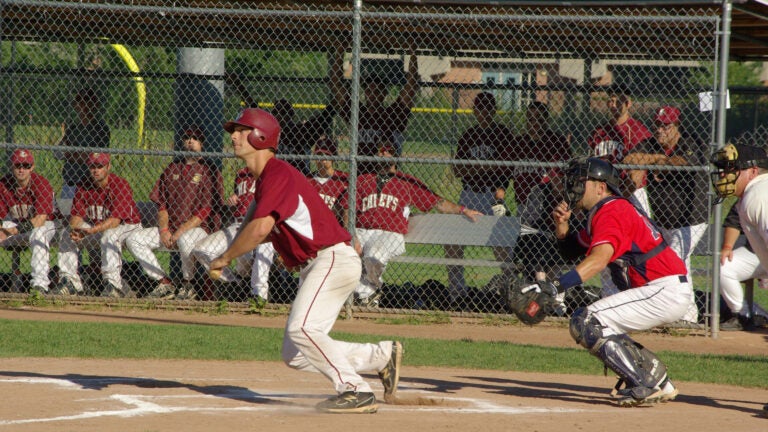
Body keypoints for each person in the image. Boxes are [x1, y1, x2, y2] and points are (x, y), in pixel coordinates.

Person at [209, 108, 402, 414]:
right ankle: (380, 356)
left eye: (241, 130)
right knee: (296, 353)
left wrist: (224, 258)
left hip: (332, 259)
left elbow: (260, 229)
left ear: (260, 136)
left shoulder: (278, 172)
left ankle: (356, 389)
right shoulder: (264, 181)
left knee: (302, 330)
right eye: (234, 131)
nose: (233, 136)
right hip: (318, 264)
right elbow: (253, 223)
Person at [546, 156, 687, 407]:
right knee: (604, 323)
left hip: (662, 288)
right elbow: (570, 251)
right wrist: (562, 225)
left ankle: (644, 383)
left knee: (587, 320)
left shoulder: (611, 211)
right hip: (662, 288)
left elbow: (599, 260)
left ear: (601, 187)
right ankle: (659, 382)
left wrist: (556, 286)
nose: (574, 186)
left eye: (582, 181)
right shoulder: (605, 211)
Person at [340, 142, 483, 307]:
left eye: (389, 151)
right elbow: (347, 209)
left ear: (396, 156)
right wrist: (352, 236)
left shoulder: (406, 182)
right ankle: (360, 296)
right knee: (344, 254)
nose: (385, 153)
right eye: (381, 151)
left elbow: (437, 202)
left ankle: (366, 295)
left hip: (390, 233)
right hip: (362, 229)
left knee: (374, 254)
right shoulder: (363, 180)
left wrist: (463, 209)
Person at [623, 106, 708, 323]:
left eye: (666, 125)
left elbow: (681, 162)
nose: (660, 130)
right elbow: (631, 158)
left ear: (676, 126)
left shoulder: (690, 141)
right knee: (677, 262)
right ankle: (685, 314)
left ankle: (687, 317)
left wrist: (658, 161)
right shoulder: (652, 144)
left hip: (692, 219)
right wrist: (657, 158)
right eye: (658, 125)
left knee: (677, 259)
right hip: (664, 220)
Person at [710, 142, 768, 416]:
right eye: (722, 171)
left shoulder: (760, 195)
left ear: (753, 170)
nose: (724, 176)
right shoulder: (753, 195)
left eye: (731, 170)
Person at [126, 127, 215, 300]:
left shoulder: (207, 169)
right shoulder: (172, 168)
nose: (190, 140)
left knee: (185, 239)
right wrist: (164, 230)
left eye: (195, 138)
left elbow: (205, 210)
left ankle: (188, 284)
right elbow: (162, 205)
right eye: (187, 137)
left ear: (202, 144)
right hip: (170, 229)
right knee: (134, 239)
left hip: (198, 230)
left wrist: (180, 231)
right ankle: (164, 282)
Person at [446, 91, 512, 301]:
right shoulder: (469, 135)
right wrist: (486, 167)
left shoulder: (502, 134)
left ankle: (510, 289)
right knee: (453, 240)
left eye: (488, 108)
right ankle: (457, 292)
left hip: (491, 195)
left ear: (493, 111)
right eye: (480, 108)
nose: (484, 112)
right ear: (475, 111)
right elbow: (458, 171)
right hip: (469, 195)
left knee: (500, 244)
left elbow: (506, 169)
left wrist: (476, 168)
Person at [588, 89, 653, 297]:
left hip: (632, 194)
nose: (614, 105)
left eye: (619, 101)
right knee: (606, 244)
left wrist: (624, 195)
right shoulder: (600, 131)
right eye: (611, 101)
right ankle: (608, 296)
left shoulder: (638, 131)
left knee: (638, 248)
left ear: (629, 103)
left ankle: (641, 295)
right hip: (606, 194)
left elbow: (639, 170)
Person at [54, 152, 142, 297]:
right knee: (66, 235)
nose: (95, 170)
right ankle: (70, 283)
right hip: (99, 229)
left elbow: (115, 221)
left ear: (108, 166)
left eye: (100, 166)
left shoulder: (120, 185)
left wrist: (91, 230)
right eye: (92, 166)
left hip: (128, 228)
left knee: (110, 235)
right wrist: (76, 230)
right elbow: (76, 216)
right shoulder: (83, 185)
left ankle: (113, 285)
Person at [191, 162, 274, 303]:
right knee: (201, 250)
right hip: (237, 224)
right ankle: (235, 283)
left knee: (249, 256)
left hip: (260, 224)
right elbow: (241, 196)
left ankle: (258, 295)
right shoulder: (241, 174)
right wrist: (233, 199)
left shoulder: (271, 173)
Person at [334, 50, 419, 165]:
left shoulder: (393, 114)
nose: (373, 95)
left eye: (377, 91)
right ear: (364, 93)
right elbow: (336, 84)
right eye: (369, 91)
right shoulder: (357, 112)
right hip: (361, 175)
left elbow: (411, 86)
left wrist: (413, 53)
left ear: (384, 93)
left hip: (386, 173)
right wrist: (340, 50)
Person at [0, 149, 57, 293]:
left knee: (38, 233)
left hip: (50, 226)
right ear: (12, 166)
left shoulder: (41, 183)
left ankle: (39, 285)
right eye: (18, 165)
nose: (21, 169)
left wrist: (13, 230)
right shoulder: (4, 184)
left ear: (32, 167)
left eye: (26, 166)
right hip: (19, 226)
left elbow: (40, 220)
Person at [508, 101, 571, 205]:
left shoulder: (557, 142)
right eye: (531, 119)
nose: (535, 122)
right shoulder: (518, 142)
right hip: (523, 203)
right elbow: (504, 172)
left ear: (546, 120)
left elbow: (562, 177)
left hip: (550, 204)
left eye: (539, 118)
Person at [718, 201, 767, 330]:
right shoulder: (750, 196)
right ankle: (742, 314)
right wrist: (727, 247)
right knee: (724, 265)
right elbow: (734, 222)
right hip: (754, 253)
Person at [55, 88, 111, 199]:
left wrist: (71, 154)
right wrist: (78, 155)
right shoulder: (73, 128)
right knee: (67, 213)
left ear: (95, 105)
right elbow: (57, 153)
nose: (84, 107)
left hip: (91, 185)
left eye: (89, 102)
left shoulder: (101, 129)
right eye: (81, 103)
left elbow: (95, 158)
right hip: (71, 182)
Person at [272, 98, 336, 176]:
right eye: (275, 112)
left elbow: (322, 120)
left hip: (297, 177)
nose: (278, 116)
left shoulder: (299, 132)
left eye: (283, 112)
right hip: (274, 175)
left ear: (291, 115)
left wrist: (334, 104)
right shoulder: (269, 132)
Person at [307, 136, 349, 222]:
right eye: (319, 154)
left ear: (333, 157)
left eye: (326, 154)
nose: (322, 159)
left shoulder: (343, 179)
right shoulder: (307, 179)